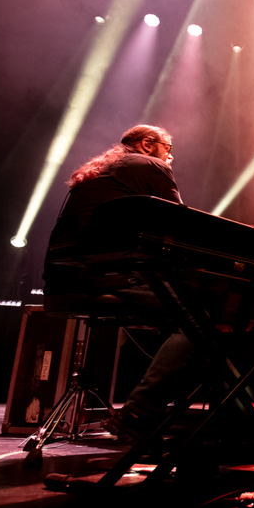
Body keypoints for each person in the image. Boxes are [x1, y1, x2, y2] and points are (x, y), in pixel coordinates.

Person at [43, 124, 193, 443]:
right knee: (196, 324)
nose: (171, 157)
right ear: (147, 145)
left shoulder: (102, 170)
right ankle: (138, 415)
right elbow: (181, 225)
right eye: (168, 149)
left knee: (180, 325)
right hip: (103, 273)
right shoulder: (148, 164)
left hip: (63, 276)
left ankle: (164, 416)